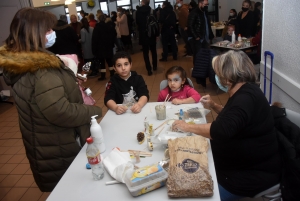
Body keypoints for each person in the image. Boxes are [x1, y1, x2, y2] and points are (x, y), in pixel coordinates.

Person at [0, 8, 102, 192]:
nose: (52, 33)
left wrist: (67, 81)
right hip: (58, 145)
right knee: (74, 191)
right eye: (47, 30)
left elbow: (42, 97)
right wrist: (94, 111)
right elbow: (60, 111)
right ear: (34, 33)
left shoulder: (21, 63)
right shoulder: (42, 70)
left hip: (42, 142)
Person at [172, 50, 281, 200]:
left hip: (250, 174)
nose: (216, 77)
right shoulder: (245, 91)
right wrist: (214, 105)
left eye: (218, 73)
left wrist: (186, 126)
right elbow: (235, 119)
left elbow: (220, 130)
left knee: (192, 192)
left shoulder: (245, 98)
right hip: (244, 164)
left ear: (228, 78)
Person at [188, 0, 214, 64]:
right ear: (200, 3)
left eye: (207, 4)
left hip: (204, 38)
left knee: (205, 56)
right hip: (198, 38)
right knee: (198, 56)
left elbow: (207, 25)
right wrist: (196, 36)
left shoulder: (205, 12)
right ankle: (197, 71)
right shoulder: (194, 12)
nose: (207, 6)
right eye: (205, 4)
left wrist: (211, 35)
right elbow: (190, 25)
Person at [136, 0, 158, 76]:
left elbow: (137, 23)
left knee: (145, 53)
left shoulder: (138, 12)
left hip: (143, 35)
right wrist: (157, 34)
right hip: (152, 34)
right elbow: (156, 23)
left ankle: (149, 69)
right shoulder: (152, 11)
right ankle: (155, 66)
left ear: (143, 3)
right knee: (153, 51)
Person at [92, 14, 116, 80]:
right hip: (108, 46)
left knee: (102, 62)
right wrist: (112, 44)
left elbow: (94, 39)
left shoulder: (97, 28)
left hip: (100, 48)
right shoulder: (109, 27)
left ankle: (103, 76)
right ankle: (112, 73)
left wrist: (94, 49)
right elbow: (113, 35)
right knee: (109, 61)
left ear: (99, 19)